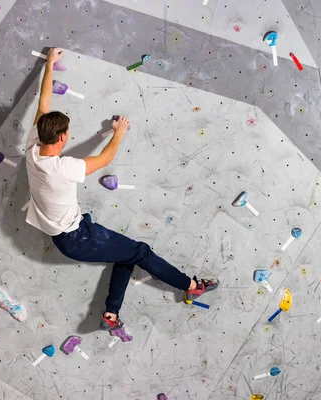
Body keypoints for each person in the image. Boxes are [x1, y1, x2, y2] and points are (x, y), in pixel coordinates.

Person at [24, 48, 219, 331]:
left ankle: (111, 316)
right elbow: (104, 159)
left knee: (127, 254)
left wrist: (50, 64)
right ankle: (191, 285)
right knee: (140, 252)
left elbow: (43, 106)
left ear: (42, 132)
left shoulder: (33, 148)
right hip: (77, 237)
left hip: (66, 233)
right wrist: (120, 132)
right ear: (63, 137)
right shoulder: (63, 167)